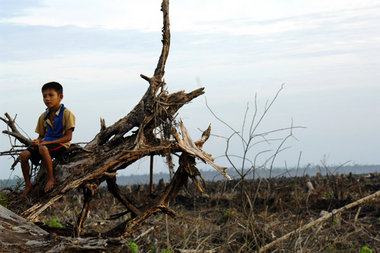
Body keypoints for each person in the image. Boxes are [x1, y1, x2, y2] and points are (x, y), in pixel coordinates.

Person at [19, 81, 75, 197]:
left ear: (60, 97)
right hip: (45, 144)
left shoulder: (67, 114)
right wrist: (37, 141)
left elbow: (68, 137)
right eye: (44, 96)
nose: (47, 99)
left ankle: (51, 179)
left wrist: (47, 142)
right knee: (24, 155)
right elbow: (41, 136)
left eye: (51, 95)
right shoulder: (43, 116)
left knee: (43, 148)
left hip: (61, 144)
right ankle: (28, 184)